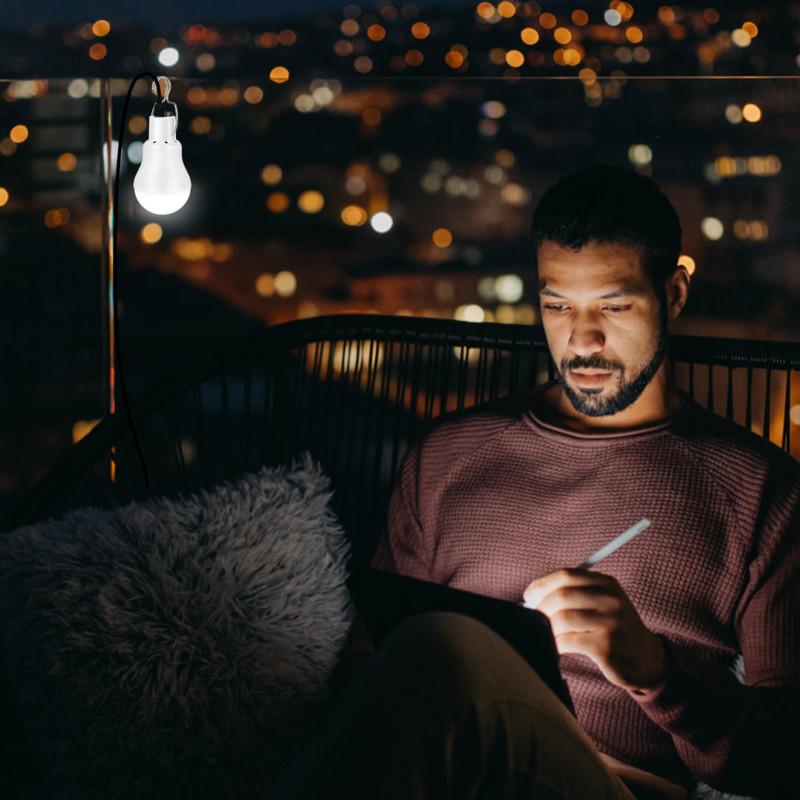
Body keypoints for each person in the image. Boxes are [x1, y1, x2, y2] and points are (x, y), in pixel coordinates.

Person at [271, 166, 800, 800]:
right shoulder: (447, 454)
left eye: (614, 306)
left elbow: (784, 758)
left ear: (675, 294)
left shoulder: (761, 490)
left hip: (616, 785)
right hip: (442, 768)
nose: (582, 340)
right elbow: (366, 670)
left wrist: (658, 673)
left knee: (440, 641)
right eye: (558, 306)